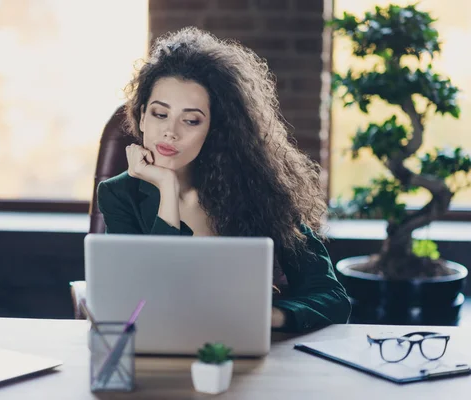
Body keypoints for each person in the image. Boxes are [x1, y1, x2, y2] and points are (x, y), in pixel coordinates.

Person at [96, 27, 351, 332]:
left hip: (245, 356)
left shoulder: (256, 187)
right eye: (160, 114)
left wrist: (270, 316)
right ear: (141, 118)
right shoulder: (119, 194)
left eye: (191, 120)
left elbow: (332, 296)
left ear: (215, 129)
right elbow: (147, 297)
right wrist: (166, 187)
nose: (170, 131)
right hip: (159, 351)